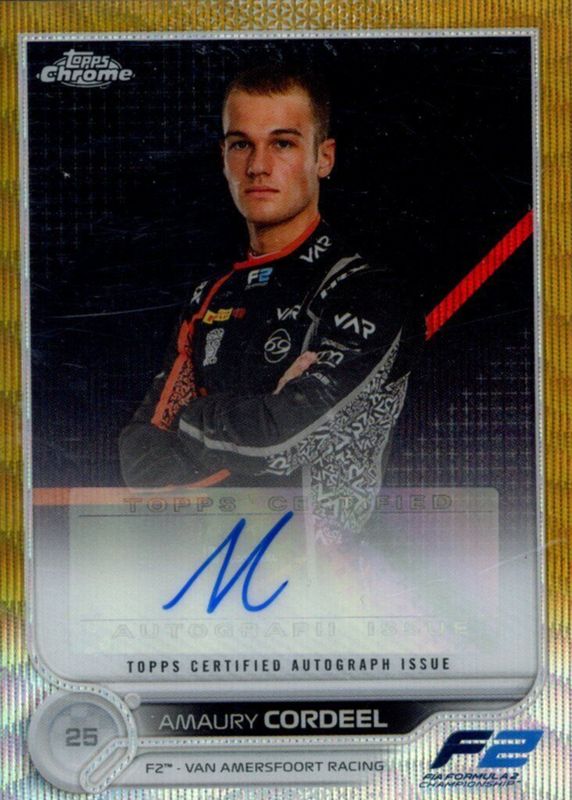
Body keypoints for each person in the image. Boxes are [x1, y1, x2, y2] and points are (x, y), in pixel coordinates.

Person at [120, 66, 424, 546]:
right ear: (223, 158)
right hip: (212, 558)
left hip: (332, 570)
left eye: (282, 143)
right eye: (241, 144)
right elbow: (139, 451)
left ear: (323, 157)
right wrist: (252, 415)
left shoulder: (365, 290)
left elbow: (277, 442)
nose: (258, 166)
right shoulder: (211, 294)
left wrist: (192, 418)